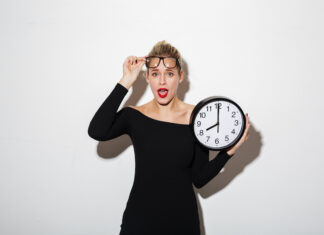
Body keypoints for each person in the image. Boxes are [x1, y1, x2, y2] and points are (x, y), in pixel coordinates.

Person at [88, 40, 250, 235]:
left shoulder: (197, 118)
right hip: (139, 222)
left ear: (180, 77)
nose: (162, 81)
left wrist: (228, 152)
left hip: (182, 223)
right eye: (155, 74)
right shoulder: (134, 116)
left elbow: (199, 178)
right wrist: (126, 81)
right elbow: (97, 131)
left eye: (170, 74)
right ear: (147, 77)